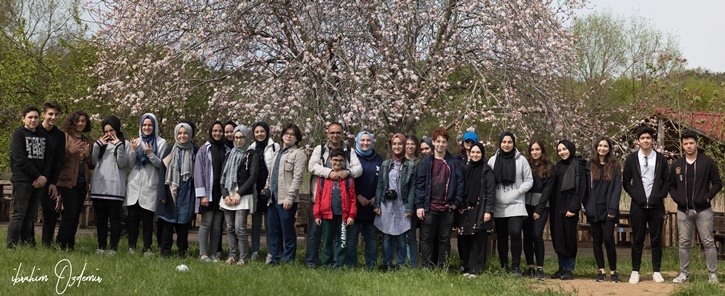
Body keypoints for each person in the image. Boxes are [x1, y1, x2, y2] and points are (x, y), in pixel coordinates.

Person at [669, 130, 722, 284]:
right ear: (682, 145)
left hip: (703, 210)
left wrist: (706, 197)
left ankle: (712, 275)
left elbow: (717, 183)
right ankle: (684, 274)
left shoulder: (708, 162)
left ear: (697, 143)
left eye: (691, 143)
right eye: (685, 143)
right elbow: (671, 186)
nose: (689, 146)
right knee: (684, 243)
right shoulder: (677, 165)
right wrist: (678, 199)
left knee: (708, 242)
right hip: (683, 211)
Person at [307, 122, 362, 267]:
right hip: (323, 200)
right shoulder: (320, 149)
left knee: (342, 238)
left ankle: (339, 264)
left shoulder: (349, 151)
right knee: (317, 235)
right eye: (332, 133)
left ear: (342, 134)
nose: (335, 135)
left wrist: (347, 172)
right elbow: (312, 166)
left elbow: (359, 169)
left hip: (343, 206)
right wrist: (329, 173)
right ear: (327, 134)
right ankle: (314, 263)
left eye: (338, 132)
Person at [622, 126, 669, 284]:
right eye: (642, 138)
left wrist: (659, 195)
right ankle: (635, 271)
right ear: (638, 141)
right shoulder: (632, 159)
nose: (645, 141)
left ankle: (656, 271)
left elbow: (667, 181)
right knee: (637, 239)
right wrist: (636, 195)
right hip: (638, 205)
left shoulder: (661, 159)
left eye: (648, 138)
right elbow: (626, 182)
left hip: (656, 206)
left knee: (656, 240)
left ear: (653, 141)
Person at [415, 127, 464, 268]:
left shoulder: (453, 163)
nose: (440, 144)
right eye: (438, 141)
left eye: (443, 142)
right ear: (433, 143)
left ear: (447, 143)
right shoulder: (425, 162)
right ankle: (426, 267)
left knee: (444, 239)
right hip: (429, 207)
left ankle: (443, 267)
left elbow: (460, 183)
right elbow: (420, 185)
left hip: (447, 208)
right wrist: (419, 205)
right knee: (427, 239)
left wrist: (456, 202)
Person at [487, 131, 533, 276]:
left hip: (516, 204)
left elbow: (529, 180)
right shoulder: (493, 160)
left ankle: (515, 267)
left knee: (515, 233)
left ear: (514, 143)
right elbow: (488, 182)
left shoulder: (521, 160)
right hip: (499, 204)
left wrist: (518, 192)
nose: (506, 145)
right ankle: (503, 266)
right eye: (504, 142)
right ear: (500, 143)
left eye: (509, 142)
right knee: (502, 236)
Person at [7, 107, 49, 248]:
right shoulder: (18, 134)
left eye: (36, 117)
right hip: (22, 179)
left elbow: (46, 159)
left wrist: (42, 178)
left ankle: (26, 244)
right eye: (30, 117)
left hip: (38, 181)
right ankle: (11, 245)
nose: (33, 120)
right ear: (23, 118)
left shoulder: (42, 135)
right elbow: (20, 158)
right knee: (19, 213)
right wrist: (38, 176)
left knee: (30, 215)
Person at [266, 123, 308, 264]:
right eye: (286, 133)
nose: (288, 136)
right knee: (274, 232)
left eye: (292, 134)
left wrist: (289, 198)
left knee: (287, 232)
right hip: (272, 199)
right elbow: (271, 174)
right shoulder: (276, 153)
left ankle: (288, 260)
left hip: (286, 200)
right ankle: (275, 259)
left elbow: (298, 179)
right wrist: (266, 188)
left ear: (297, 138)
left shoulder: (299, 154)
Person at [126, 113, 167, 255]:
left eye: (149, 125)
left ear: (154, 126)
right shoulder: (136, 141)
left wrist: (150, 154)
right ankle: (131, 246)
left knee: (147, 218)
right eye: (144, 125)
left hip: (150, 184)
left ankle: (147, 247)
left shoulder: (161, 142)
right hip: (134, 183)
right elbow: (130, 164)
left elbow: (161, 165)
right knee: (132, 218)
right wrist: (132, 151)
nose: (147, 127)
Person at [374, 134, 416, 271]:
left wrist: (410, 208)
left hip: (402, 204)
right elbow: (380, 184)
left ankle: (400, 264)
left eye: (400, 144)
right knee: (386, 236)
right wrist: (377, 204)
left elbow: (412, 188)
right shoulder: (386, 164)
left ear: (404, 146)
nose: (397, 147)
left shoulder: (410, 165)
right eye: (394, 144)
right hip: (387, 204)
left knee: (401, 236)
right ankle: (386, 263)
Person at [584, 136, 622, 283]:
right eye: (600, 146)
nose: (602, 148)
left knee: (608, 239)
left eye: (605, 146)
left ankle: (614, 271)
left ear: (609, 149)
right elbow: (585, 189)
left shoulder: (614, 166)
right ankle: (601, 271)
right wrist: (586, 206)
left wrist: (613, 208)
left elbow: (617, 189)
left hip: (609, 208)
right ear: (596, 147)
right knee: (597, 240)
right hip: (594, 208)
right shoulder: (589, 165)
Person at [220, 125, 259, 265]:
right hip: (228, 195)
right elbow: (222, 177)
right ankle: (232, 255)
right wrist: (225, 195)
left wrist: (239, 194)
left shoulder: (251, 154)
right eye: (236, 138)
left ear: (247, 137)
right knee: (229, 227)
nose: (239, 140)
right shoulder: (229, 154)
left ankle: (243, 257)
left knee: (239, 228)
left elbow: (253, 176)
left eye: (241, 137)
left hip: (242, 196)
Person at [90, 115, 129, 254]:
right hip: (98, 187)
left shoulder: (125, 144)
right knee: (100, 219)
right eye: (105, 131)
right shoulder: (100, 144)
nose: (108, 134)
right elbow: (93, 162)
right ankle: (101, 246)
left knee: (114, 218)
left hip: (115, 188)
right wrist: (96, 146)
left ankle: (113, 248)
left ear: (117, 130)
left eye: (111, 130)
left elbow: (122, 163)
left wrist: (119, 146)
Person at [456, 143, 496, 277]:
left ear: (482, 154)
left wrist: (488, 211)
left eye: (478, 152)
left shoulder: (487, 171)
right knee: (465, 238)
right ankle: (466, 267)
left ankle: (476, 268)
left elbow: (491, 192)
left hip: (480, 208)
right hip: (465, 209)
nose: (475, 155)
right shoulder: (466, 168)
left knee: (478, 239)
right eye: (473, 152)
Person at [550, 140, 588, 280]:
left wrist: (574, 207)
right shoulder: (558, 166)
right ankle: (561, 268)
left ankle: (569, 269)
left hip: (569, 207)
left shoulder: (578, 165)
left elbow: (581, 188)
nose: (562, 152)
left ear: (570, 149)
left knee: (569, 239)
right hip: (556, 206)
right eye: (559, 150)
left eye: (564, 149)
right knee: (558, 238)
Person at [55, 110, 93, 250]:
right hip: (67, 181)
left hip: (82, 183)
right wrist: (69, 151)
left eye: (83, 121)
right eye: (78, 121)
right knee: (69, 212)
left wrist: (88, 155)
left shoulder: (87, 140)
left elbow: (92, 164)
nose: (80, 123)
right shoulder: (64, 138)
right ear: (72, 122)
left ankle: (70, 244)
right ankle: (60, 243)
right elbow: (57, 161)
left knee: (76, 214)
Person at [159, 122, 197, 258]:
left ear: (190, 134)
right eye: (180, 133)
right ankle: (165, 252)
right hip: (170, 191)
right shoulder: (169, 150)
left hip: (187, 192)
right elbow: (162, 173)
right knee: (167, 224)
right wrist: (162, 194)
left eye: (185, 133)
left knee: (183, 225)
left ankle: (182, 251)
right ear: (176, 134)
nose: (182, 136)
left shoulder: (195, 151)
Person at [314, 148, 357, 268]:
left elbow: (353, 199)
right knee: (327, 241)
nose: (337, 163)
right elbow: (318, 197)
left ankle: (339, 265)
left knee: (342, 241)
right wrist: (317, 215)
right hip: (328, 215)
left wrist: (351, 215)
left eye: (340, 161)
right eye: (335, 160)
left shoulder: (348, 179)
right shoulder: (324, 178)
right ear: (330, 160)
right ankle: (326, 265)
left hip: (344, 216)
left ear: (344, 162)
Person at [346, 131, 383, 268]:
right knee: (351, 237)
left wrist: (376, 197)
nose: (365, 143)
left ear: (372, 142)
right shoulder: (351, 157)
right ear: (357, 141)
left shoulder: (378, 159)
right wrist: (357, 196)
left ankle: (371, 265)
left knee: (371, 237)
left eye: (368, 140)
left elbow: (383, 181)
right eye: (362, 140)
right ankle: (350, 264)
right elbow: (347, 179)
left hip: (372, 205)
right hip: (355, 204)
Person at [195, 121, 227, 262]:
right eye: (215, 130)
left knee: (217, 225)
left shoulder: (227, 149)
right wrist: (202, 195)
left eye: (220, 131)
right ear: (210, 131)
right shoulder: (203, 150)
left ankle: (214, 254)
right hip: (208, 193)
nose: (217, 133)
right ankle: (203, 254)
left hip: (221, 193)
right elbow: (199, 173)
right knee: (206, 223)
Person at [522, 139, 554, 280]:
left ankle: (540, 267)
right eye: (532, 150)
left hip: (541, 206)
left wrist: (539, 209)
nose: (535, 152)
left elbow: (548, 190)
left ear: (542, 151)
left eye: (537, 149)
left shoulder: (549, 167)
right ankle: (530, 267)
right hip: (525, 205)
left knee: (537, 235)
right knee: (527, 236)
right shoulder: (526, 165)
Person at [249, 121, 280, 262]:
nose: (259, 134)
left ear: (267, 132)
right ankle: (255, 250)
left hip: (269, 190)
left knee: (269, 224)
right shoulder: (251, 148)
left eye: (262, 131)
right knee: (255, 223)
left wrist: (268, 187)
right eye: (257, 132)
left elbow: (275, 168)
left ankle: (271, 252)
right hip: (255, 190)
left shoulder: (275, 147)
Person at [38, 101, 65, 248]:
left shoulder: (59, 135)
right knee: (28, 212)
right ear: (43, 114)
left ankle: (46, 244)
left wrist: (54, 182)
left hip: (50, 180)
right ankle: (27, 241)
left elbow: (59, 161)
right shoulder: (34, 130)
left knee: (50, 212)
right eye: (50, 114)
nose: (53, 117)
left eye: (56, 114)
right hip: (33, 178)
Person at [404, 134, 421, 267]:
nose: (410, 146)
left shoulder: (420, 162)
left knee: (410, 235)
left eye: (412, 144)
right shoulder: (398, 161)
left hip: (414, 203)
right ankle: (400, 261)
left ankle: (412, 263)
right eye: (407, 144)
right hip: (398, 203)